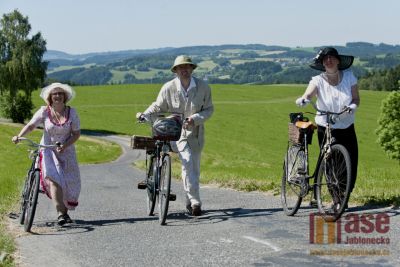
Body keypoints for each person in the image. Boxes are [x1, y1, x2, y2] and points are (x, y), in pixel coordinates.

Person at [137, 55, 214, 216]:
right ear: (176, 71)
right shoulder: (168, 87)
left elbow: (209, 109)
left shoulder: (203, 87)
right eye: (180, 68)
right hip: (173, 133)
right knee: (186, 161)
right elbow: (158, 106)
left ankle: (189, 202)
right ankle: (195, 202)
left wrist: (195, 119)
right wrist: (144, 115)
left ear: (192, 69)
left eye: (187, 67)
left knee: (194, 169)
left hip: (195, 134)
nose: (184, 70)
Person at [295, 47, 360, 206]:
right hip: (326, 126)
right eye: (325, 59)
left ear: (338, 60)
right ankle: (335, 198)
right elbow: (309, 93)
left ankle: (345, 195)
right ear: (322, 63)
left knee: (350, 161)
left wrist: (352, 106)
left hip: (346, 124)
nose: (328, 60)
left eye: (331, 57)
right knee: (330, 162)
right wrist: (304, 99)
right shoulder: (318, 80)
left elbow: (356, 98)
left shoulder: (349, 77)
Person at [12, 82, 81, 225]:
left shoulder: (72, 112)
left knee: (68, 183)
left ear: (65, 97)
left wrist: (65, 145)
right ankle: (60, 214)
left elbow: (76, 134)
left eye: (60, 93)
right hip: (48, 150)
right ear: (50, 97)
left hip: (67, 152)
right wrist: (19, 136)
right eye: (55, 94)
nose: (58, 96)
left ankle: (65, 213)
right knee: (54, 179)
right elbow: (31, 125)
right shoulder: (44, 111)